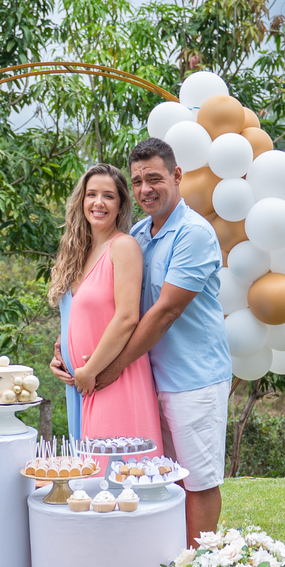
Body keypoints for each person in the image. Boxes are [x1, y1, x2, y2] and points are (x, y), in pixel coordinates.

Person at [55, 138, 232, 547]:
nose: (145, 188)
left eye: (154, 178)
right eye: (137, 181)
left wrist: (109, 368)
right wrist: (65, 350)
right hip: (149, 377)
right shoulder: (139, 234)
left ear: (177, 175)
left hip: (192, 378)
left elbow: (165, 311)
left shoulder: (193, 233)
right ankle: (168, 557)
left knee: (197, 481)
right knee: (160, 479)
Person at [47, 163, 163, 455]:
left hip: (111, 379)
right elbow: (81, 316)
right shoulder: (76, 254)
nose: (98, 203)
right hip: (80, 384)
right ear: (81, 200)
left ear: (121, 205)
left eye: (108, 196)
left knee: (113, 471)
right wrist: (61, 354)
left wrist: (90, 370)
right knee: (88, 472)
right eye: (92, 194)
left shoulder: (123, 247)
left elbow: (126, 318)